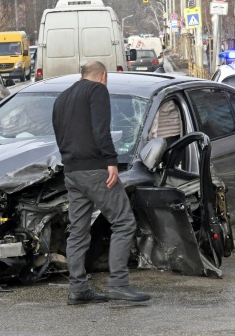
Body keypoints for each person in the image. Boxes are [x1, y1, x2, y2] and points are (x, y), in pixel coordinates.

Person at [52, 61, 150, 305]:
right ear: (103, 76)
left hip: (72, 172)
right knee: (124, 222)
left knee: (78, 231)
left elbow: (59, 132)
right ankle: (118, 284)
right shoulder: (98, 90)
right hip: (95, 169)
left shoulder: (62, 97)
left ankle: (78, 289)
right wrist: (111, 161)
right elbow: (100, 128)